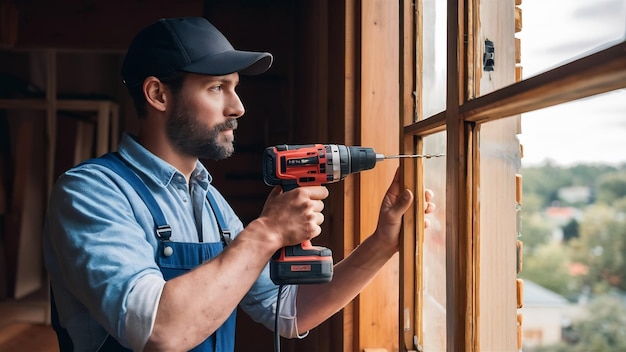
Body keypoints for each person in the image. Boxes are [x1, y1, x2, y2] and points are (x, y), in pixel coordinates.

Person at [43, 17, 435, 351]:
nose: (238, 107)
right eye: (217, 88)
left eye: (235, 87)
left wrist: (383, 243)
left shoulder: (210, 203)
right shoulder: (91, 193)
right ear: (158, 94)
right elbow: (157, 330)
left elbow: (288, 311)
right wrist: (267, 232)